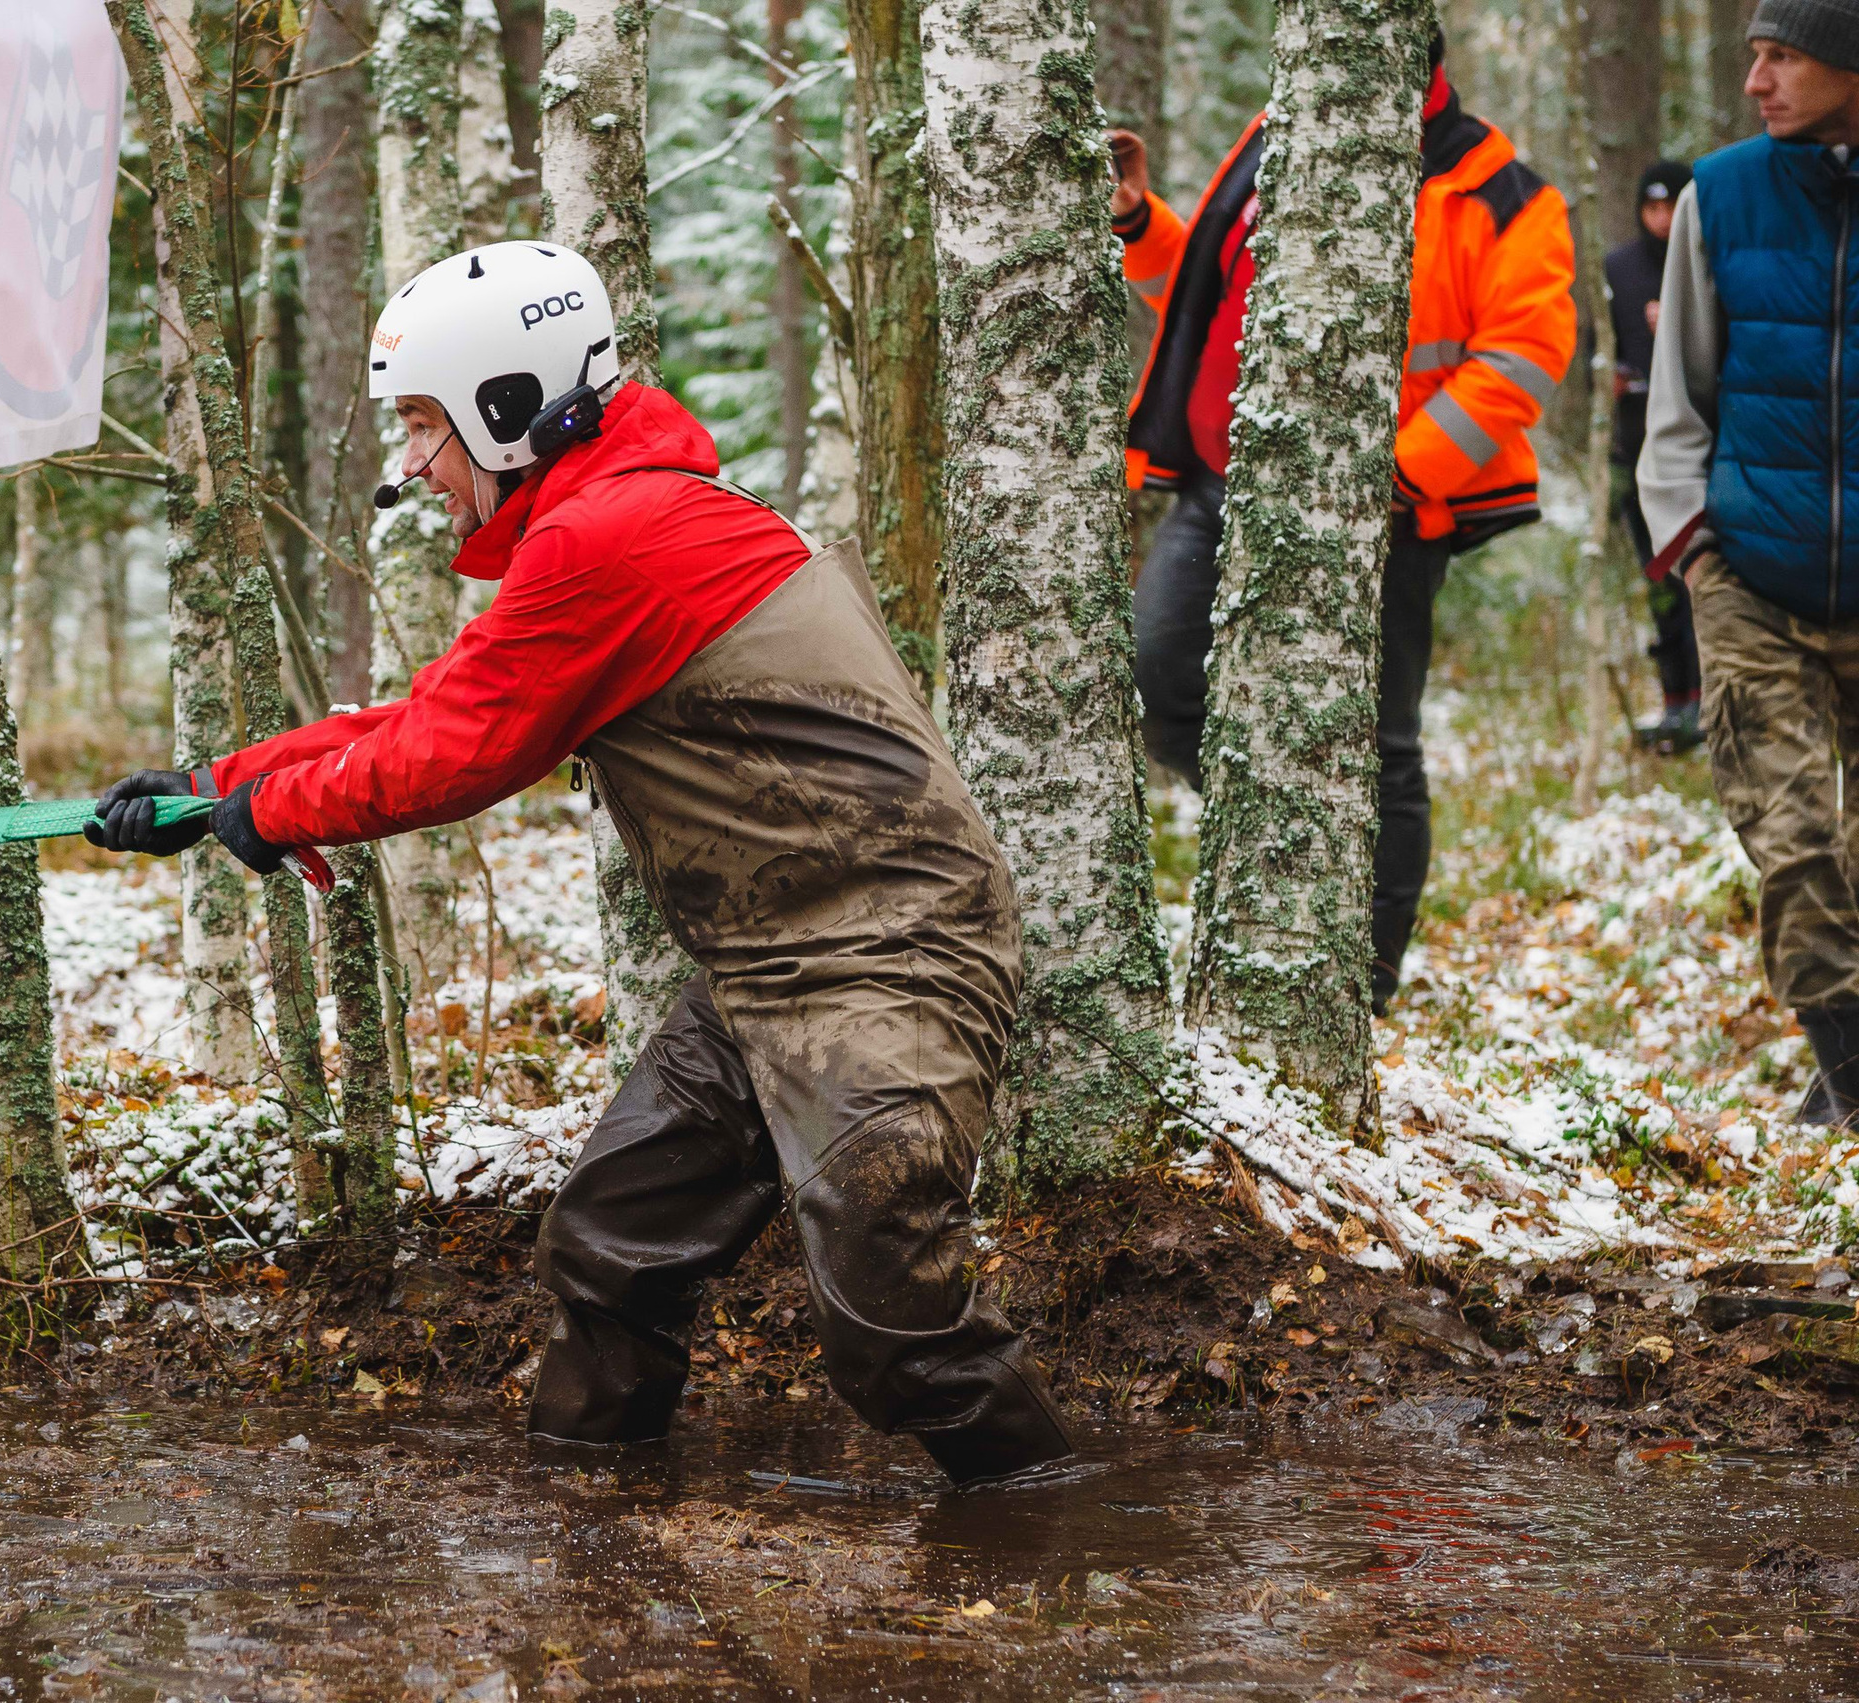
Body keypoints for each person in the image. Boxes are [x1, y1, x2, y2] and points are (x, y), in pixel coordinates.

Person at [86, 242, 1072, 1487]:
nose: (412, 465)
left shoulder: (609, 536)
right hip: (775, 962)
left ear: (505, 408)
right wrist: (215, 785)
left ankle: (1068, 1535)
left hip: (888, 952)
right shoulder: (612, 519)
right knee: (613, 1246)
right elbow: (439, 710)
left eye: (423, 427)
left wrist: (270, 811)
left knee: (889, 1316)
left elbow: (453, 755)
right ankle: (586, 1523)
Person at [1110, 30, 1577, 1014]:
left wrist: (1390, 479)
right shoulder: (1279, 133)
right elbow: (1203, 289)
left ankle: (1363, 986)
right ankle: (1285, 831)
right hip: (1227, 480)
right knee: (1155, 678)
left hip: (1390, 512)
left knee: (1379, 739)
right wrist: (1138, 222)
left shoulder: (1505, 194)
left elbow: (1522, 361)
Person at [1638, 0, 1859, 1126]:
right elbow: (1679, 391)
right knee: (1791, 837)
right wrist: (1692, 545)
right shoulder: (1718, 196)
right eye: (1752, 56)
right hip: (1751, 577)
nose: (1755, 82)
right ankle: (1851, 1072)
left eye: (1783, 57)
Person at [1610, 161, 1703, 753]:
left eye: (1671, 207)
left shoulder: (1707, 259)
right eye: (1652, 208)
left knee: (1699, 574)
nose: (1662, 220)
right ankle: (1674, 701)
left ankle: (1706, 704)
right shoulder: (1619, 268)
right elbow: (1600, 347)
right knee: (1656, 574)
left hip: (1697, 446)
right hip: (1634, 441)